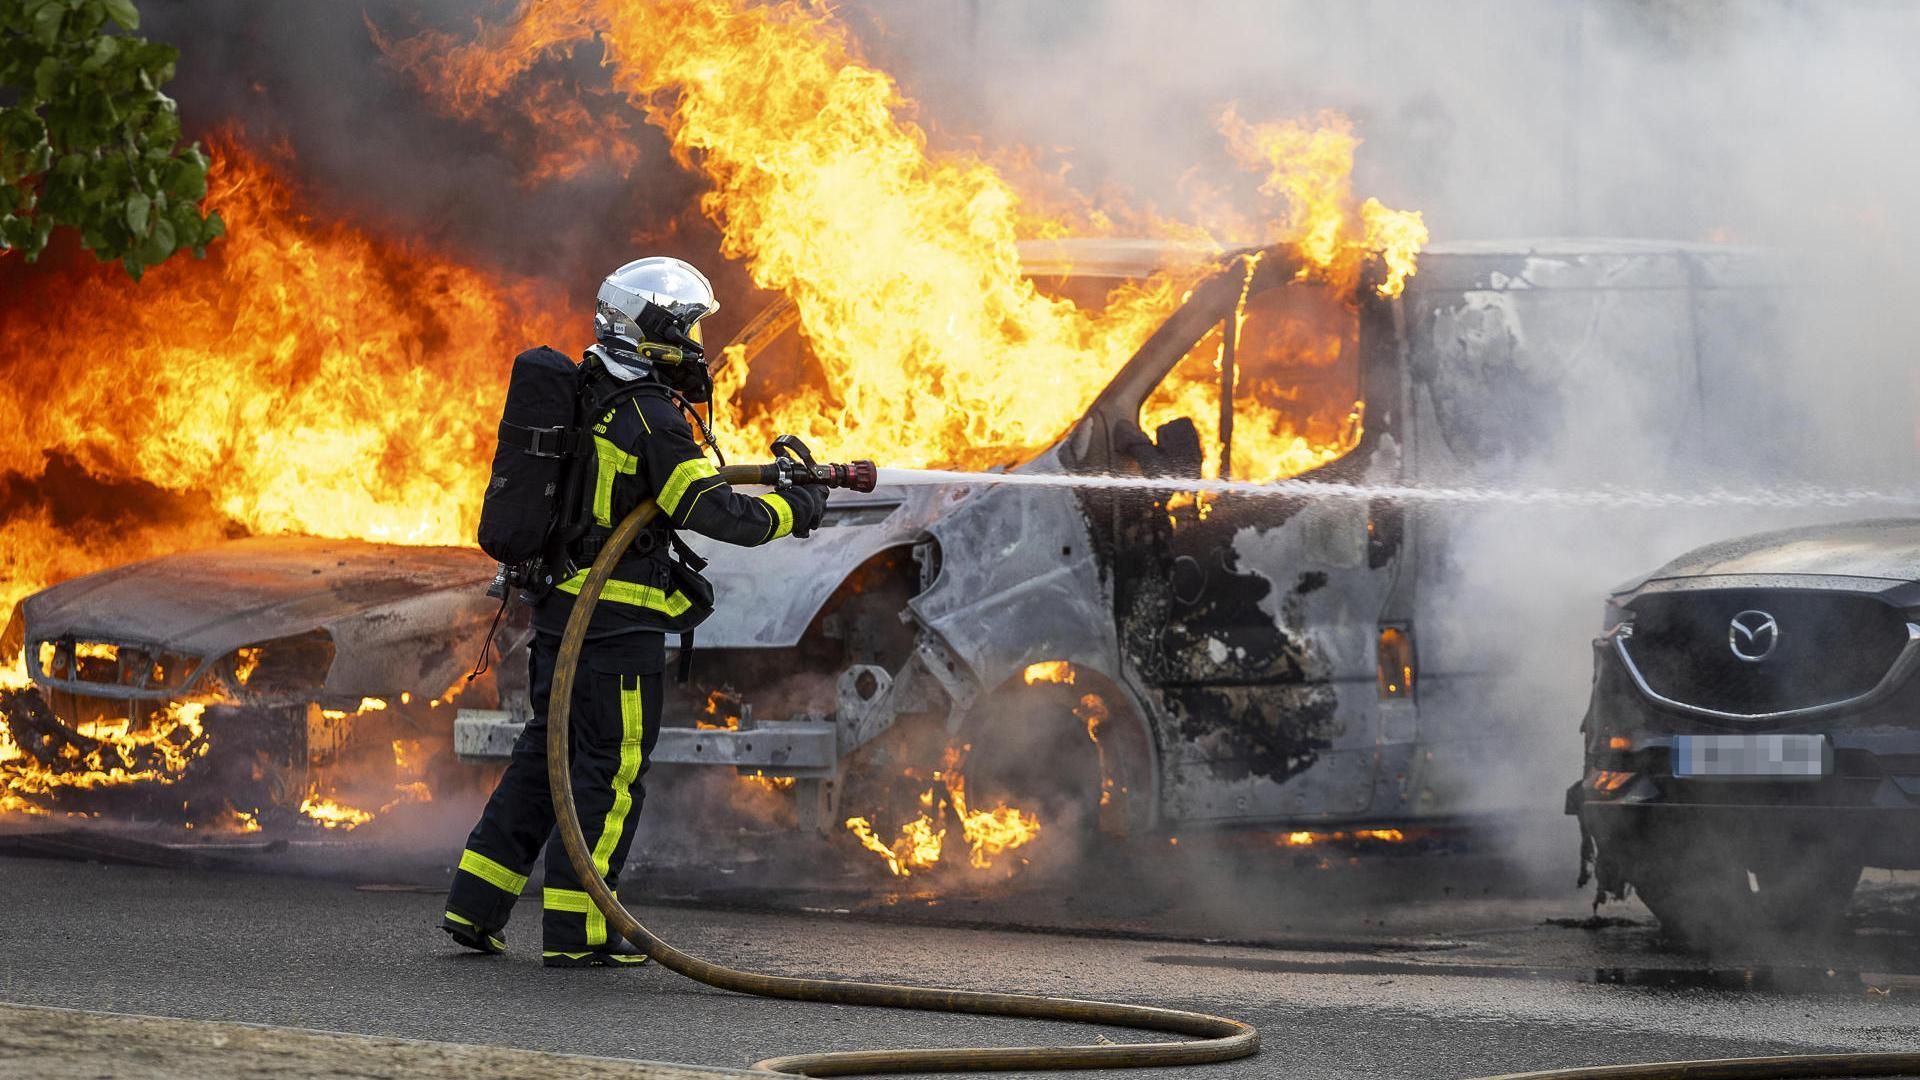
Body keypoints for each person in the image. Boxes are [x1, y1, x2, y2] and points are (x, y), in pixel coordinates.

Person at [442, 257, 827, 967]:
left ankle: (474, 905)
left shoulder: (587, 390)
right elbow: (713, 511)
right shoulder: (650, 415)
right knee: (607, 769)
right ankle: (582, 934)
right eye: (686, 328)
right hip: (614, 628)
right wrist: (796, 508)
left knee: (544, 756)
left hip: (561, 613)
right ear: (653, 329)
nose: (694, 344)